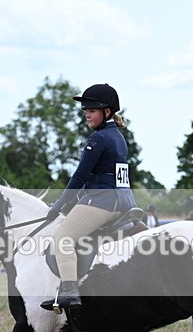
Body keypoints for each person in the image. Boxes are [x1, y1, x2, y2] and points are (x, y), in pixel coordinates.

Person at [42, 83, 137, 310]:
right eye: (85, 110)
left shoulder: (98, 139)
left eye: (92, 110)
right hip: (123, 201)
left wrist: (59, 205)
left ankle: (69, 290)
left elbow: (79, 177)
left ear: (107, 112)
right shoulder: (117, 136)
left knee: (62, 238)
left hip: (103, 201)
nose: (87, 115)